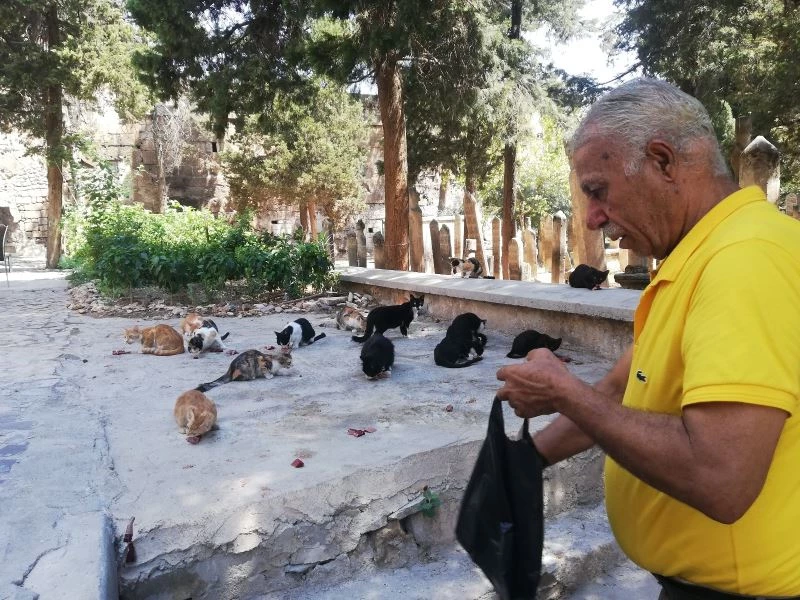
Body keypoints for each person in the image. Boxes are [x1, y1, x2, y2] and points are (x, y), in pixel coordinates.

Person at [496, 78, 800, 600]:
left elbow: (721, 478)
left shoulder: (744, 262)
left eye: (597, 191)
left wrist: (563, 392)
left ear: (662, 161)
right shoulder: (701, 257)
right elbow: (618, 391)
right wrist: (522, 462)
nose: (591, 217)